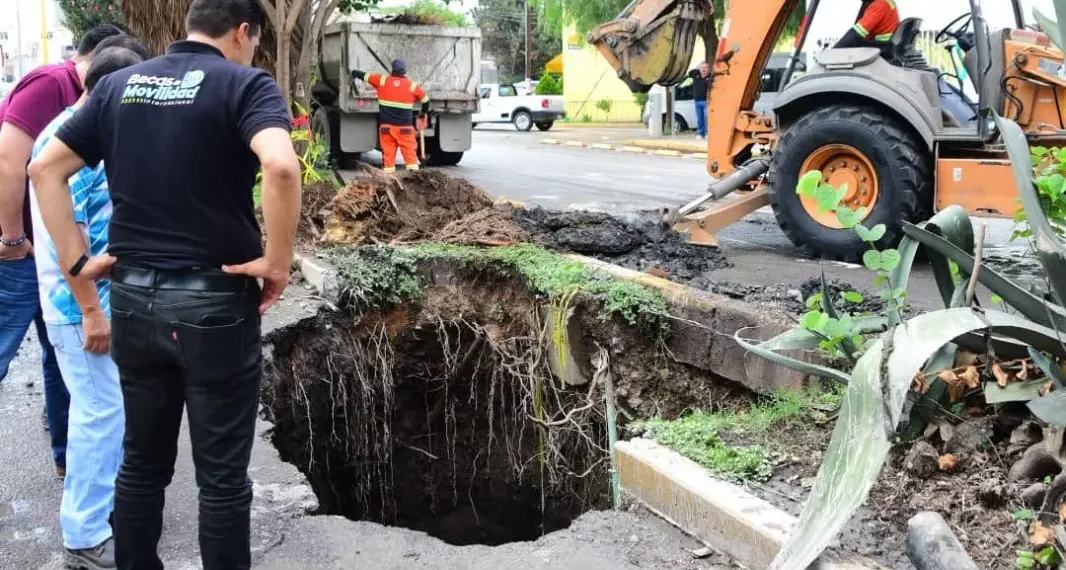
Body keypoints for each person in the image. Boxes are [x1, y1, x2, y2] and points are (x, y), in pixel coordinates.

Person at [28, 0, 302, 567]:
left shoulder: (118, 85)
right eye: (254, 41)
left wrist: (80, 265)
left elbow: (43, 170)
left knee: (141, 464)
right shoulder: (247, 85)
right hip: (215, 306)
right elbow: (279, 166)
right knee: (221, 478)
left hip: (132, 300)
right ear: (243, 31)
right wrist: (277, 263)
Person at [28, 43, 150, 570]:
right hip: (79, 306)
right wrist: (92, 312)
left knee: (108, 410)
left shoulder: (92, 127)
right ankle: (85, 536)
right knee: (100, 414)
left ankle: (105, 515)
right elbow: (70, 238)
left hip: (99, 301)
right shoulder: (68, 141)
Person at [0, 22, 124, 479]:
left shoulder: (85, 118)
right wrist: (13, 239)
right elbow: (13, 161)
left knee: (68, 365)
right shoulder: (53, 90)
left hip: (64, 273)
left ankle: (67, 457)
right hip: (31, 257)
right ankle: (85, 509)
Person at [350, 58, 430, 172]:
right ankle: (415, 182)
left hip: (386, 129)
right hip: (405, 130)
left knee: (388, 162)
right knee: (411, 161)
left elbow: (365, 76)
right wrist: (423, 113)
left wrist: (354, 73)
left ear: (392, 70)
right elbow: (426, 100)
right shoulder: (412, 86)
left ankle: (389, 182)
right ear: (404, 71)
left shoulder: (382, 81)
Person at [833, 0, 900, 49]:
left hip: (882, 49)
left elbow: (856, 33)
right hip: (886, 46)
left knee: (855, 42)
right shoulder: (887, 2)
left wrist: (834, 51)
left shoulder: (880, 4)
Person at [687, 62, 711, 140]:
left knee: (706, 118)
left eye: (705, 68)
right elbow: (690, 73)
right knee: (699, 118)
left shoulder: (710, 78)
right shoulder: (696, 76)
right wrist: (698, 69)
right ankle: (700, 133)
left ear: (708, 69)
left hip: (706, 101)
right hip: (697, 101)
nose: (704, 69)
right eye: (702, 68)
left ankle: (707, 133)